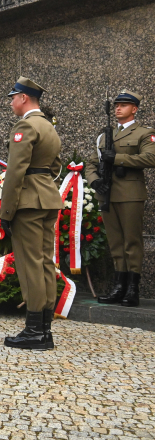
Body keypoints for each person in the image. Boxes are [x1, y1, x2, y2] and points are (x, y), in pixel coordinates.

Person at [0, 77, 62, 350]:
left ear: (24, 97)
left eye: (13, 97)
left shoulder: (25, 125)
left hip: (27, 203)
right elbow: (55, 167)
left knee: (30, 264)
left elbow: (15, 173)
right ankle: (44, 329)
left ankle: (34, 330)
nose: (12, 102)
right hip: (48, 198)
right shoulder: (48, 126)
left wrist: (7, 209)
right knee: (46, 262)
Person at [87, 90, 155, 308]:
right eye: (116, 105)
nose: (118, 108)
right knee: (115, 242)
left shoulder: (144, 133)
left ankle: (132, 288)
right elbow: (91, 163)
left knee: (131, 241)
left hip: (130, 195)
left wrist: (117, 158)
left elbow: (151, 157)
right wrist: (94, 181)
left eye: (123, 105)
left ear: (134, 109)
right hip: (107, 193)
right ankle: (118, 286)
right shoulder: (105, 135)